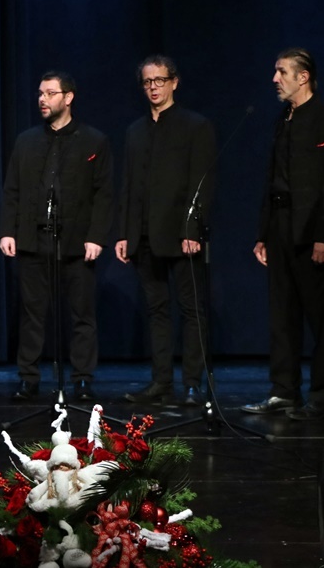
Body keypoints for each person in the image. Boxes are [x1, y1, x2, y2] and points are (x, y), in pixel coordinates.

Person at [241, 49, 324, 420]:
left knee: (320, 317)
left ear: (303, 77)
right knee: (282, 315)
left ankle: (322, 395)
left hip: (312, 229)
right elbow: (273, 179)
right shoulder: (283, 117)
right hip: (280, 227)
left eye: (282, 71)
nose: (275, 79)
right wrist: (263, 233)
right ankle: (284, 391)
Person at [0, 70, 114, 403]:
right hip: (33, 238)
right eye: (40, 93)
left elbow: (104, 194)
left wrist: (96, 237)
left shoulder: (93, 140)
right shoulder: (26, 141)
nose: (43, 99)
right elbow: (12, 190)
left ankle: (82, 378)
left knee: (81, 314)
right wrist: (8, 231)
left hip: (77, 241)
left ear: (68, 97)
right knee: (32, 313)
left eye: (50, 93)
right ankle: (28, 377)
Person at [115, 55, 216, 407]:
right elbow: (129, 186)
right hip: (144, 236)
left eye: (159, 80)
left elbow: (202, 183)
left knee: (191, 309)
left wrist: (192, 230)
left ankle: (192, 383)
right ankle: (161, 381)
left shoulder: (195, 125)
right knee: (156, 309)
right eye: (147, 82)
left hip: (181, 234)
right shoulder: (135, 130)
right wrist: (125, 233)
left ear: (174, 82)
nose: (153, 87)